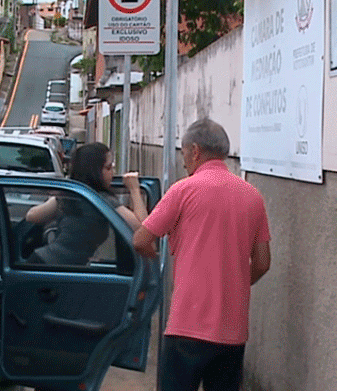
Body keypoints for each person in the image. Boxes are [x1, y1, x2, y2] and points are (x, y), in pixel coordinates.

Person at [133, 118, 271, 391]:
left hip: (186, 325)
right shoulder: (253, 196)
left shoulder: (183, 190)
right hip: (232, 331)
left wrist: (159, 261)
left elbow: (140, 240)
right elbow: (263, 262)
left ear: (194, 150)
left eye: (183, 153)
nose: (184, 162)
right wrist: (238, 282)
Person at [24, 142, 149, 264]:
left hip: (44, 262)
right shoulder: (102, 199)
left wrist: (61, 196)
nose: (113, 172)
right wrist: (134, 189)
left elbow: (32, 215)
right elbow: (143, 229)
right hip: (53, 268)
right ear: (95, 171)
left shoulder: (73, 195)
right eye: (108, 167)